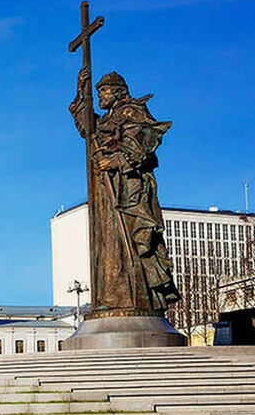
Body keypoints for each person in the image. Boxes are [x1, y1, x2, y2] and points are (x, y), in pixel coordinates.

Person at [71, 67, 181, 313]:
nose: (100, 97)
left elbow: (142, 146)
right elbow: (86, 128)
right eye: (97, 93)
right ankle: (114, 297)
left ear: (119, 92)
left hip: (128, 191)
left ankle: (137, 297)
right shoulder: (108, 119)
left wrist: (115, 160)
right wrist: (81, 91)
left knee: (130, 240)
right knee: (109, 244)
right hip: (106, 191)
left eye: (104, 92)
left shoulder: (132, 111)